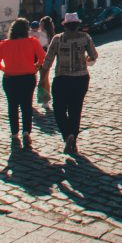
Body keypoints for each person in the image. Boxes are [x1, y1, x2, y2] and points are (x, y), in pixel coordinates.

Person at [40, 12, 98, 156]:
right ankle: (73, 137)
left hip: (62, 79)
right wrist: (85, 58)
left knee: (59, 109)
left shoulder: (58, 39)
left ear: (64, 25)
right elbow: (94, 56)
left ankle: (67, 135)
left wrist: (42, 78)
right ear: (77, 24)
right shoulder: (85, 38)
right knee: (75, 109)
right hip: (81, 78)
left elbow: (48, 60)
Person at [0, 18, 46, 151]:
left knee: (12, 105)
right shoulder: (32, 42)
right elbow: (43, 58)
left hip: (10, 78)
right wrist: (35, 67)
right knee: (27, 105)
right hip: (28, 77)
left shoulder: (3, 44)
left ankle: (14, 132)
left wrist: (6, 69)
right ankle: (26, 132)